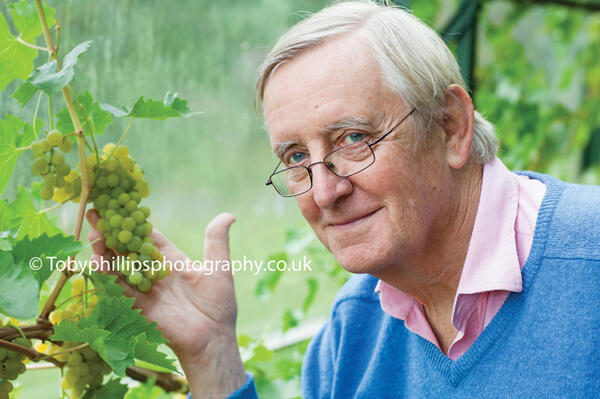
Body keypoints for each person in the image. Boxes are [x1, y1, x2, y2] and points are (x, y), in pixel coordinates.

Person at [88, 1, 600, 398]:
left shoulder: (589, 260)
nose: (325, 191)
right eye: (294, 158)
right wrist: (211, 356)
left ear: (450, 128)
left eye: (353, 139)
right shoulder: (353, 329)